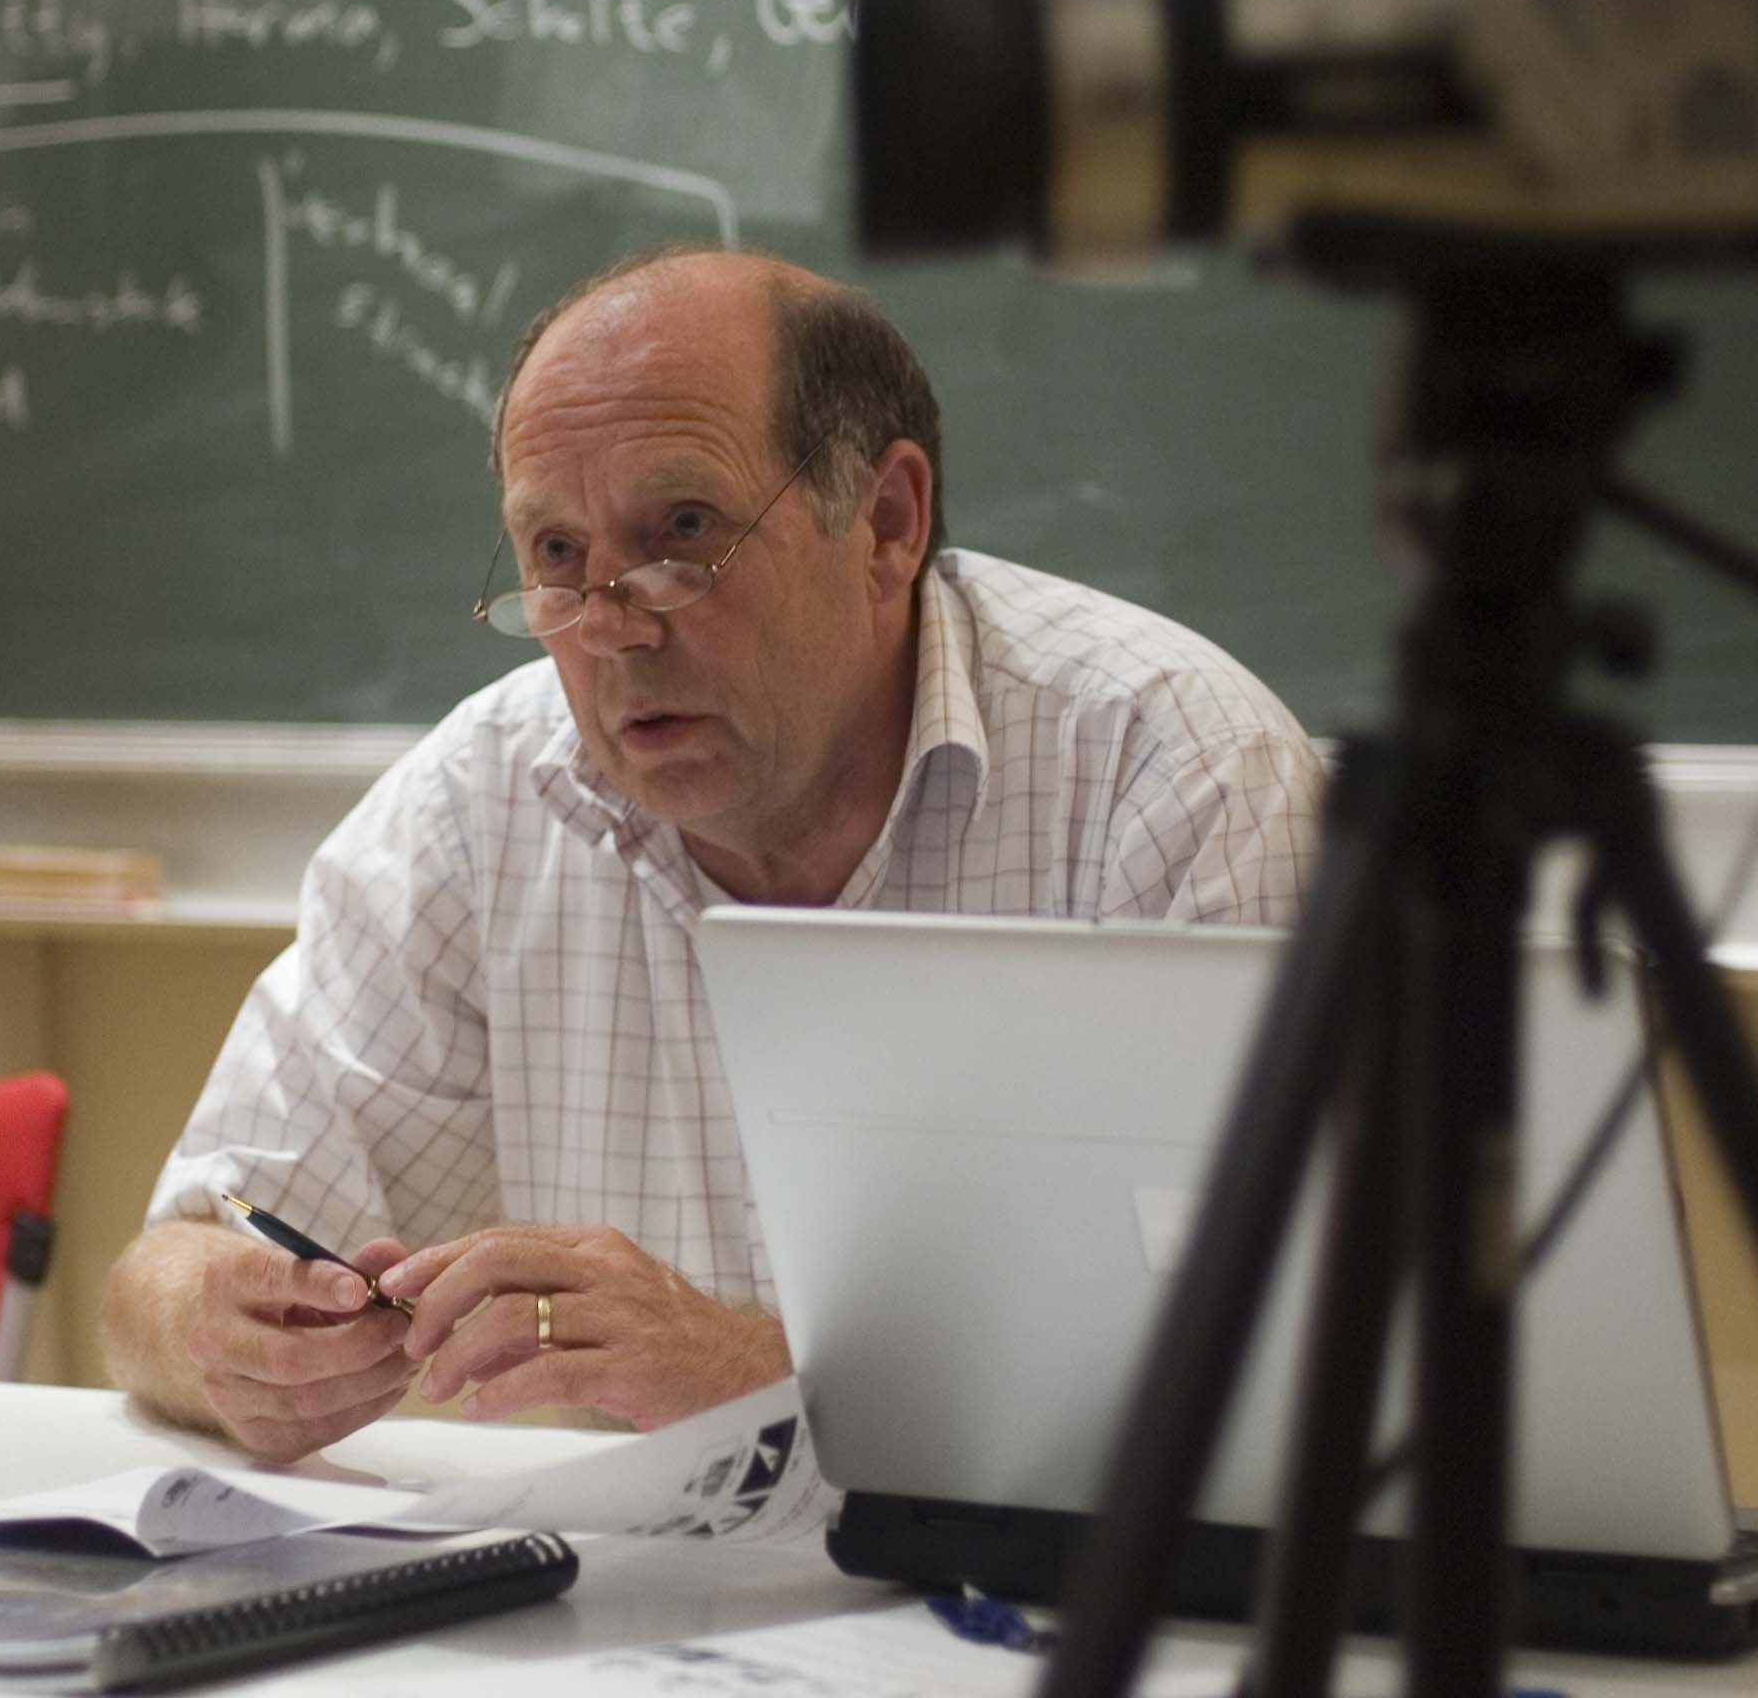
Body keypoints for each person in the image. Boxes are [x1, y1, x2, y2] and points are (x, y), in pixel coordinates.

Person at [101, 248, 1324, 1462]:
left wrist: (751, 1376)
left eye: (681, 532)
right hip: (632, 1584)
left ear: (885, 524)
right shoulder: (479, 802)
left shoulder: (1169, 775)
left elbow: (1284, 1374)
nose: (612, 628)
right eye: (555, 556)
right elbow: (164, 1271)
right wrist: (228, 1335)